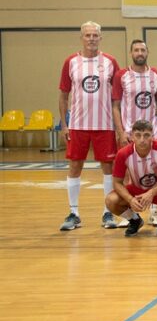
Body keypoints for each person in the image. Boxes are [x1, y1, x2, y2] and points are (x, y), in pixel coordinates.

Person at [58, 21, 122, 231]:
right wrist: (64, 124)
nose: (91, 39)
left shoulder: (110, 62)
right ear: (81, 38)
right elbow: (63, 95)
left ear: (100, 38)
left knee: (108, 168)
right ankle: (74, 213)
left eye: (95, 35)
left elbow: (118, 96)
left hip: (105, 124)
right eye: (88, 35)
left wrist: (120, 126)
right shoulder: (71, 62)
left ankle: (107, 212)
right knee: (75, 166)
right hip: (77, 125)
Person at [105, 119, 157, 237]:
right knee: (110, 200)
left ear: (152, 136)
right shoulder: (123, 153)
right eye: (138, 135)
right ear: (132, 137)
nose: (142, 140)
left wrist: (151, 193)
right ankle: (134, 220)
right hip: (136, 191)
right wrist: (130, 199)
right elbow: (117, 183)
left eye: (146, 135)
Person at [112, 39, 157, 148]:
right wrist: (121, 133)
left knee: (155, 159)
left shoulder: (155, 73)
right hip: (129, 134)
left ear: (147, 52)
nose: (140, 53)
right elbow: (115, 107)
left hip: (152, 133)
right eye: (136, 50)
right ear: (131, 53)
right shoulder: (121, 75)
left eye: (143, 50)